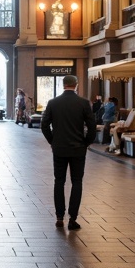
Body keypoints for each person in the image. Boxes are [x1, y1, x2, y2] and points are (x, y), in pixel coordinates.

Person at [40, 74, 96, 230]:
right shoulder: (84, 103)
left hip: (59, 148)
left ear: (63, 85)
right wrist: (86, 142)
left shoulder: (53, 103)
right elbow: (92, 126)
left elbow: (44, 125)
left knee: (59, 181)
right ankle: (73, 218)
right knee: (77, 182)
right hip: (78, 148)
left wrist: (53, 141)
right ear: (76, 85)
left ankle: (59, 216)